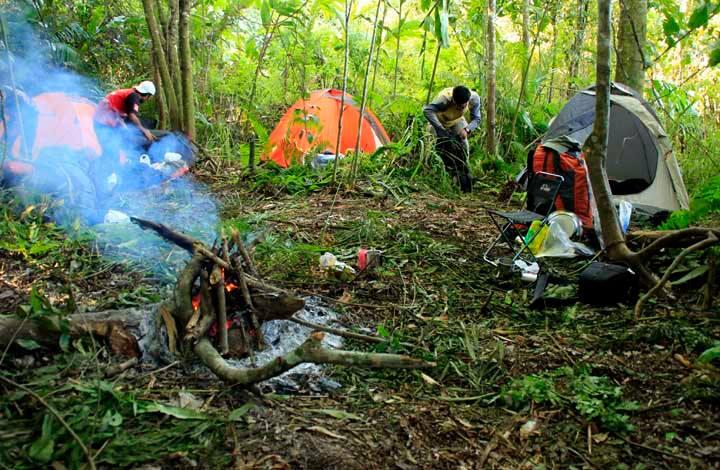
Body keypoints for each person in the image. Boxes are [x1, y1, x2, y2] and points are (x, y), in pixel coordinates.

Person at [423, 85, 481, 192]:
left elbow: (477, 119)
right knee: (433, 148)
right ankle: (432, 175)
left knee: (463, 144)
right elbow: (427, 110)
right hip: (438, 121)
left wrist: (467, 130)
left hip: (456, 120)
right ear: (453, 100)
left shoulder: (474, 98)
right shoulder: (444, 99)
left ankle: (465, 174)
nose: (460, 108)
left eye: (462, 107)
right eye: (457, 106)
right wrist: (440, 129)